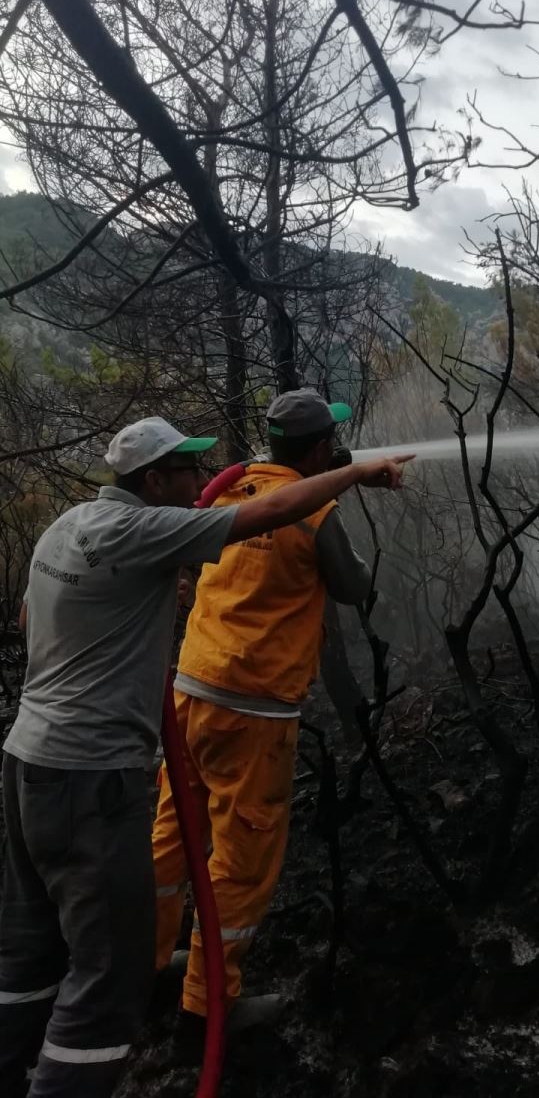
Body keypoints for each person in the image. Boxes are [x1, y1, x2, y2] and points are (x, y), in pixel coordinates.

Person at [0, 414, 410, 1098]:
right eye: (188, 470)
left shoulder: (67, 526)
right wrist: (359, 470)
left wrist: (139, 603)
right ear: (153, 479)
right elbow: (275, 510)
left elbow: (27, 619)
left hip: (27, 763)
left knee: (30, 951)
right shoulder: (147, 528)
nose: (202, 480)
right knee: (108, 982)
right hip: (95, 777)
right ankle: (191, 1008)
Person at [151, 390, 371, 1037]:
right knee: (241, 859)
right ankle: (206, 1009)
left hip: (193, 690)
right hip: (254, 709)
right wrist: (333, 500)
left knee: (170, 836)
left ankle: (146, 963)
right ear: (321, 449)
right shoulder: (316, 512)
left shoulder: (229, 488)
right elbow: (355, 588)